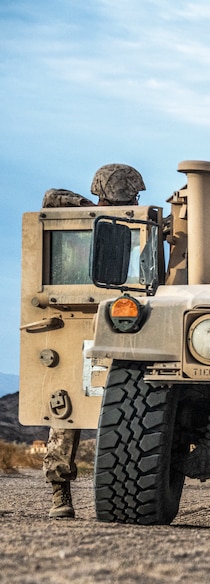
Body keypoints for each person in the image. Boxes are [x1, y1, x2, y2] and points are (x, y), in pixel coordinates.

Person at [40, 163, 145, 518]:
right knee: (66, 411)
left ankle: (125, 491)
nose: (127, 203)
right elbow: (51, 199)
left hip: (123, 319)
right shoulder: (83, 221)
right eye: (123, 197)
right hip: (78, 317)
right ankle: (60, 492)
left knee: (128, 409)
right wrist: (94, 209)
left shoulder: (136, 225)